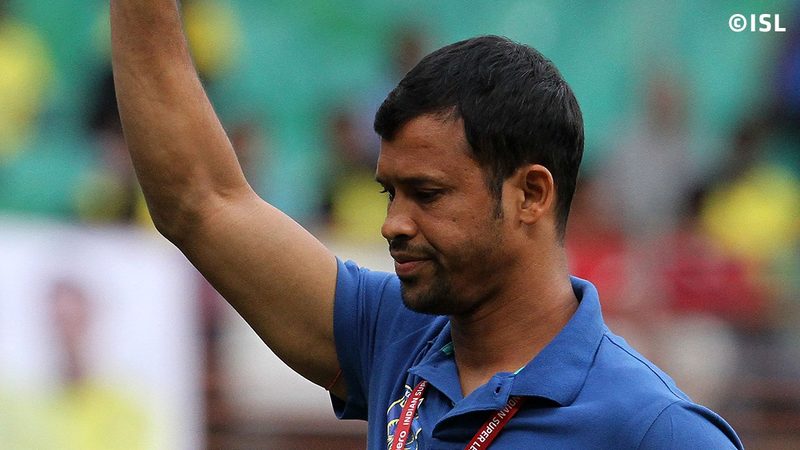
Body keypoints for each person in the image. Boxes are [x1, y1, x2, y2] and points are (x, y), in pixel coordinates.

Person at [109, 1, 743, 448]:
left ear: (531, 194)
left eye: (427, 194)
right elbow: (200, 201)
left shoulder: (658, 430)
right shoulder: (394, 334)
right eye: (390, 193)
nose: (392, 224)